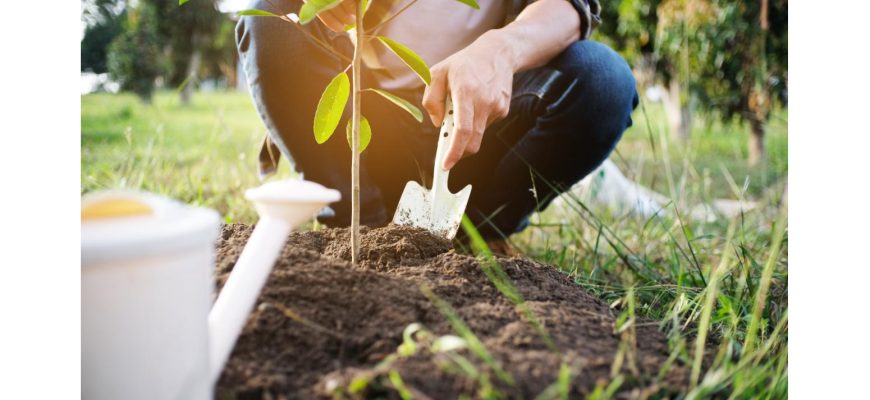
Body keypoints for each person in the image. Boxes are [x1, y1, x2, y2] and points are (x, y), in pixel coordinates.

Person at [236, 0, 638, 243]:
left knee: (603, 80)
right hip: (371, 136)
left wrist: (501, 49)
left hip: (481, 127)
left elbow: (570, 8)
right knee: (271, 13)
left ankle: (476, 237)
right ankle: (358, 230)